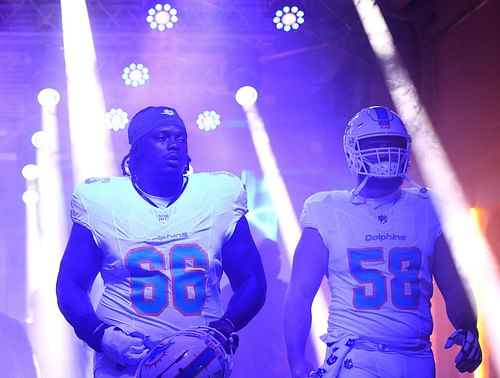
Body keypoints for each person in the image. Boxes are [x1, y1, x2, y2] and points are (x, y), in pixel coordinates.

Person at [56, 105, 267, 377]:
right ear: (136, 150)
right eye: (161, 137)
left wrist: (225, 326)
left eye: (180, 137)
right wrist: (101, 336)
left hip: (201, 361)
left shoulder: (219, 195)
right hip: (126, 362)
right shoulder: (100, 200)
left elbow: (252, 281)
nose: (174, 145)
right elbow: (70, 283)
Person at [283, 106, 482, 378]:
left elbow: (452, 282)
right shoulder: (328, 209)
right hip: (357, 357)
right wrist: (297, 361)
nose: (384, 152)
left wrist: (468, 326)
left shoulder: (427, 207)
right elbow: (300, 293)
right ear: (353, 150)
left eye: (392, 144)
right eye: (374, 144)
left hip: (417, 357)